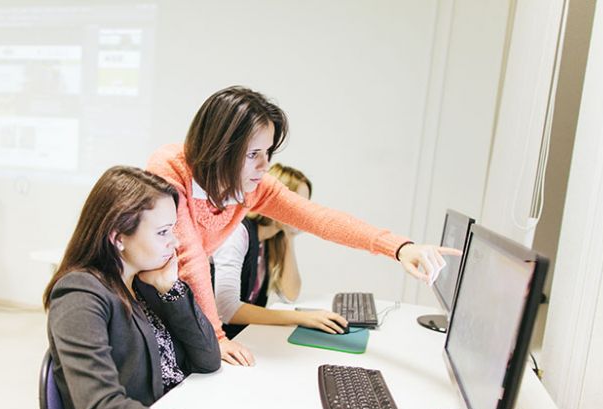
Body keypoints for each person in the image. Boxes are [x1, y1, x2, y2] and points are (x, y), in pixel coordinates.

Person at [44, 166, 330, 409]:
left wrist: (171, 290)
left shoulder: (147, 283)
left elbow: (208, 357)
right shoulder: (80, 295)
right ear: (118, 237)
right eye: (163, 232)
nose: (176, 243)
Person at [147, 85, 460, 366]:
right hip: (140, 301)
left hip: (178, 302)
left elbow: (319, 218)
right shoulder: (171, 167)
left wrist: (400, 248)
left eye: (268, 152)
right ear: (220, 148)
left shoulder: (252, 188)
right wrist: (216, 337)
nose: (264, 165)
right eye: (253, 154)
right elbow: (190, 256)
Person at [213, 163, 348, 339]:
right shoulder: (238, 233)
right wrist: (302, 318)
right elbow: (226, 309)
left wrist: (289, 238)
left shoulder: (271, 239)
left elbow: (290, 294)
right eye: (296, 203)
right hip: (218, 340)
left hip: (243, 337)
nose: (303, 213)